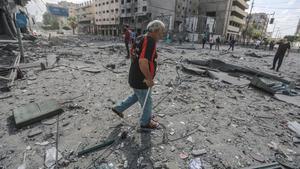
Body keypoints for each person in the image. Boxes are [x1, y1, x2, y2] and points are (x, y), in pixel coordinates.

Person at [112, 20, 166, 129]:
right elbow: (142, 61)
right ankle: (145, 122)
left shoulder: (140, 37)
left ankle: (119, 108)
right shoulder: (150, 41)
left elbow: (132, 55)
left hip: (134, 76)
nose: (161, 36)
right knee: (147, 101)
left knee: (137, 95)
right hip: (141, 78)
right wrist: (149, 78)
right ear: (155, 31)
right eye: (161, 32)